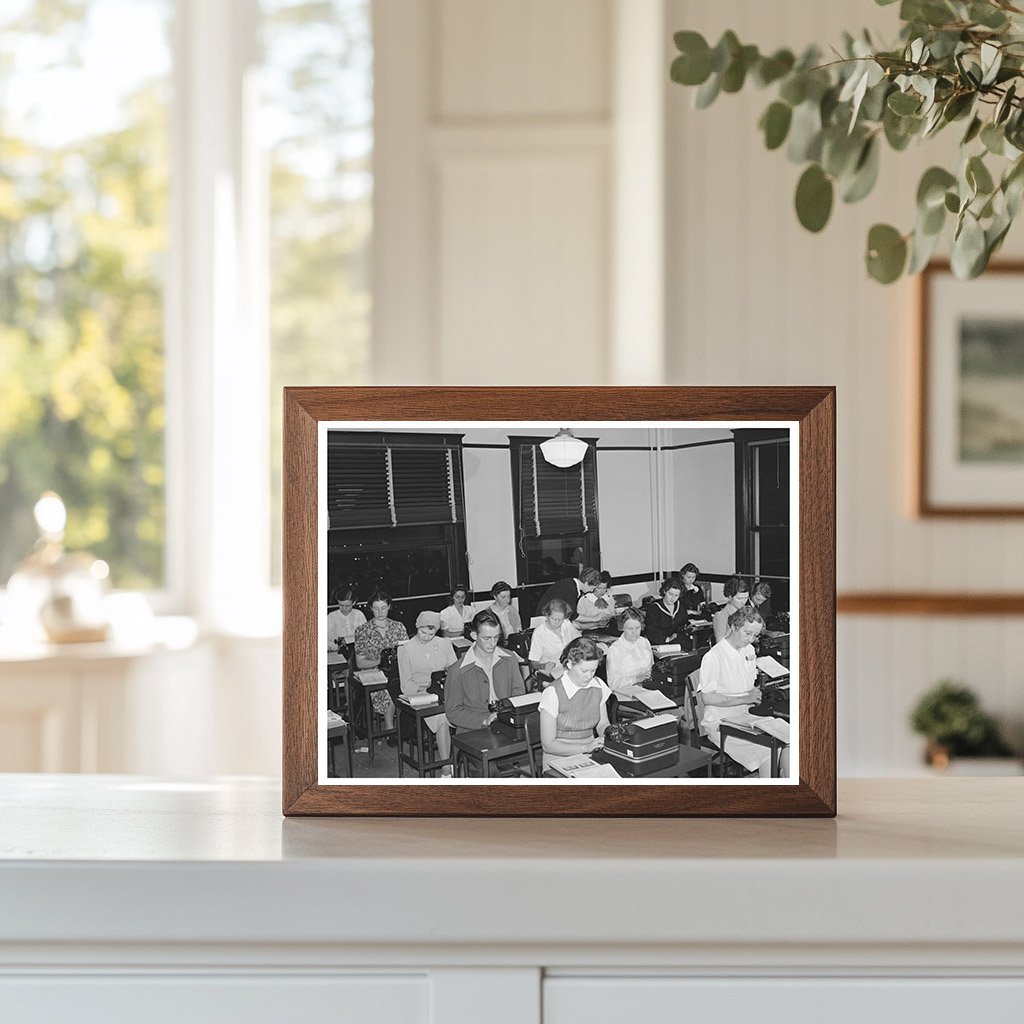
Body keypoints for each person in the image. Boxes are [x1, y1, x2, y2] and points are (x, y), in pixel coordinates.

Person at [698, 605, 789, 778]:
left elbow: (746, 680)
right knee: (768, 749)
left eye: (755, 635)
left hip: (745, 716)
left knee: (788, 738)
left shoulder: (749, 649)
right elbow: (708, 698)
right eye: (747, 633)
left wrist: (755, 689)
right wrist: (746, 698)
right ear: (734, 627)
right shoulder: (714, 656)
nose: (751, 639)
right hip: (720, 721)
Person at [444, 609, 527, 732]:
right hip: (472, 730)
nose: (492, 644)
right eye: (487, 638)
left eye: (496, 637)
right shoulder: (457, 670)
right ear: (474, 635)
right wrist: (484, 720)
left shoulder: (510, 658)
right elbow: (453, 712)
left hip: (507, 722)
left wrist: (507, 713)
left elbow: (519, 692)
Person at [397, 610, 458, 774]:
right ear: (417, 626)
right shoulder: (406, 649)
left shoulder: (444, 643)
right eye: (423, 632)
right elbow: (406, 685)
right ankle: (446, 766)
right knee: (442, 718)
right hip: (421, 694)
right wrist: (427, 688)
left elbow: (454, 670)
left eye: (431, 634)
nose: (426, 637)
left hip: (445, 690)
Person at [538, 636, 611, 771]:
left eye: (593, 670)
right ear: (570, 664)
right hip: (558, 758)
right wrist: (586, 747)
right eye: (584, 671)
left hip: (591, 751)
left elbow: (602, 724)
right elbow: (548, 745)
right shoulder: (553, 692)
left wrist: (610, 735)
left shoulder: (598, 685)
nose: (589, 676)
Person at [353, 591, 408, 739]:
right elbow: (360, 662)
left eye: (383, 607)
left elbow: (407, 653)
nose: (380, 612)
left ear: (389, 607)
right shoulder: (363, 630)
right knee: (391, 689)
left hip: (398, 670)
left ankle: (407, 727)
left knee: (406, 685)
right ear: (370, 608)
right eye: (376, 608)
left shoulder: (399, 627)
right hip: (375, 672)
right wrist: (380, 661)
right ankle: (390, 729)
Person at [528, 597, 581, 679]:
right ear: (546, 615)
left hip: (570, 668)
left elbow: (579, 641)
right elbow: (534, 662)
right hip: (552, 673)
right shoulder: (539, 632)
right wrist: (544, 665)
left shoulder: (566, 624)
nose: (557, 622)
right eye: (554, 619)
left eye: (560, 619)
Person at [604, 607, 654, 693]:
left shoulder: (644, 642)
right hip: (625, 692)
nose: (634, 632)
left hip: (646, 688)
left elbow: (652, 667)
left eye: (637, 628)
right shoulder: (615, 649)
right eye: (630, 628)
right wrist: (636, 679)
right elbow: (613, 684)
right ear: (622, 627)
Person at [535, 566, 600, 621]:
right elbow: (572, 615)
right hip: (546, 619)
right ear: (586, 582)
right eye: (592, 588)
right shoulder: (570, 589)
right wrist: (594, 619)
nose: (592, 591)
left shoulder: (570, 584)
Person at [644, 576, 687, 646]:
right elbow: (650, 632)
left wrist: (677, 633)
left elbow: (683, 624)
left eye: (676, 595)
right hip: (659, 644)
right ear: (664, 591)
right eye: (670, 594)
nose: (673, 598)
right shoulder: (654, 609)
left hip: (677, 643)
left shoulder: (681, 606)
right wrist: (667, 639)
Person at [325, 586, 366, 651]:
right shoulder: (331, 617)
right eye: (341, 605)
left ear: (354, 602)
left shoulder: (359, 615)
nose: (344, 608)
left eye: (347, 606)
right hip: (337, 653)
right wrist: (335, 647)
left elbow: (365, 636)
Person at [713, 576, 750, 642]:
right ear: (729, 597)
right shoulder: (721, 615)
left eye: (746, 598)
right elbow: (720, 642)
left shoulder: (745, 612)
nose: (743, 602)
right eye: (739, 598)